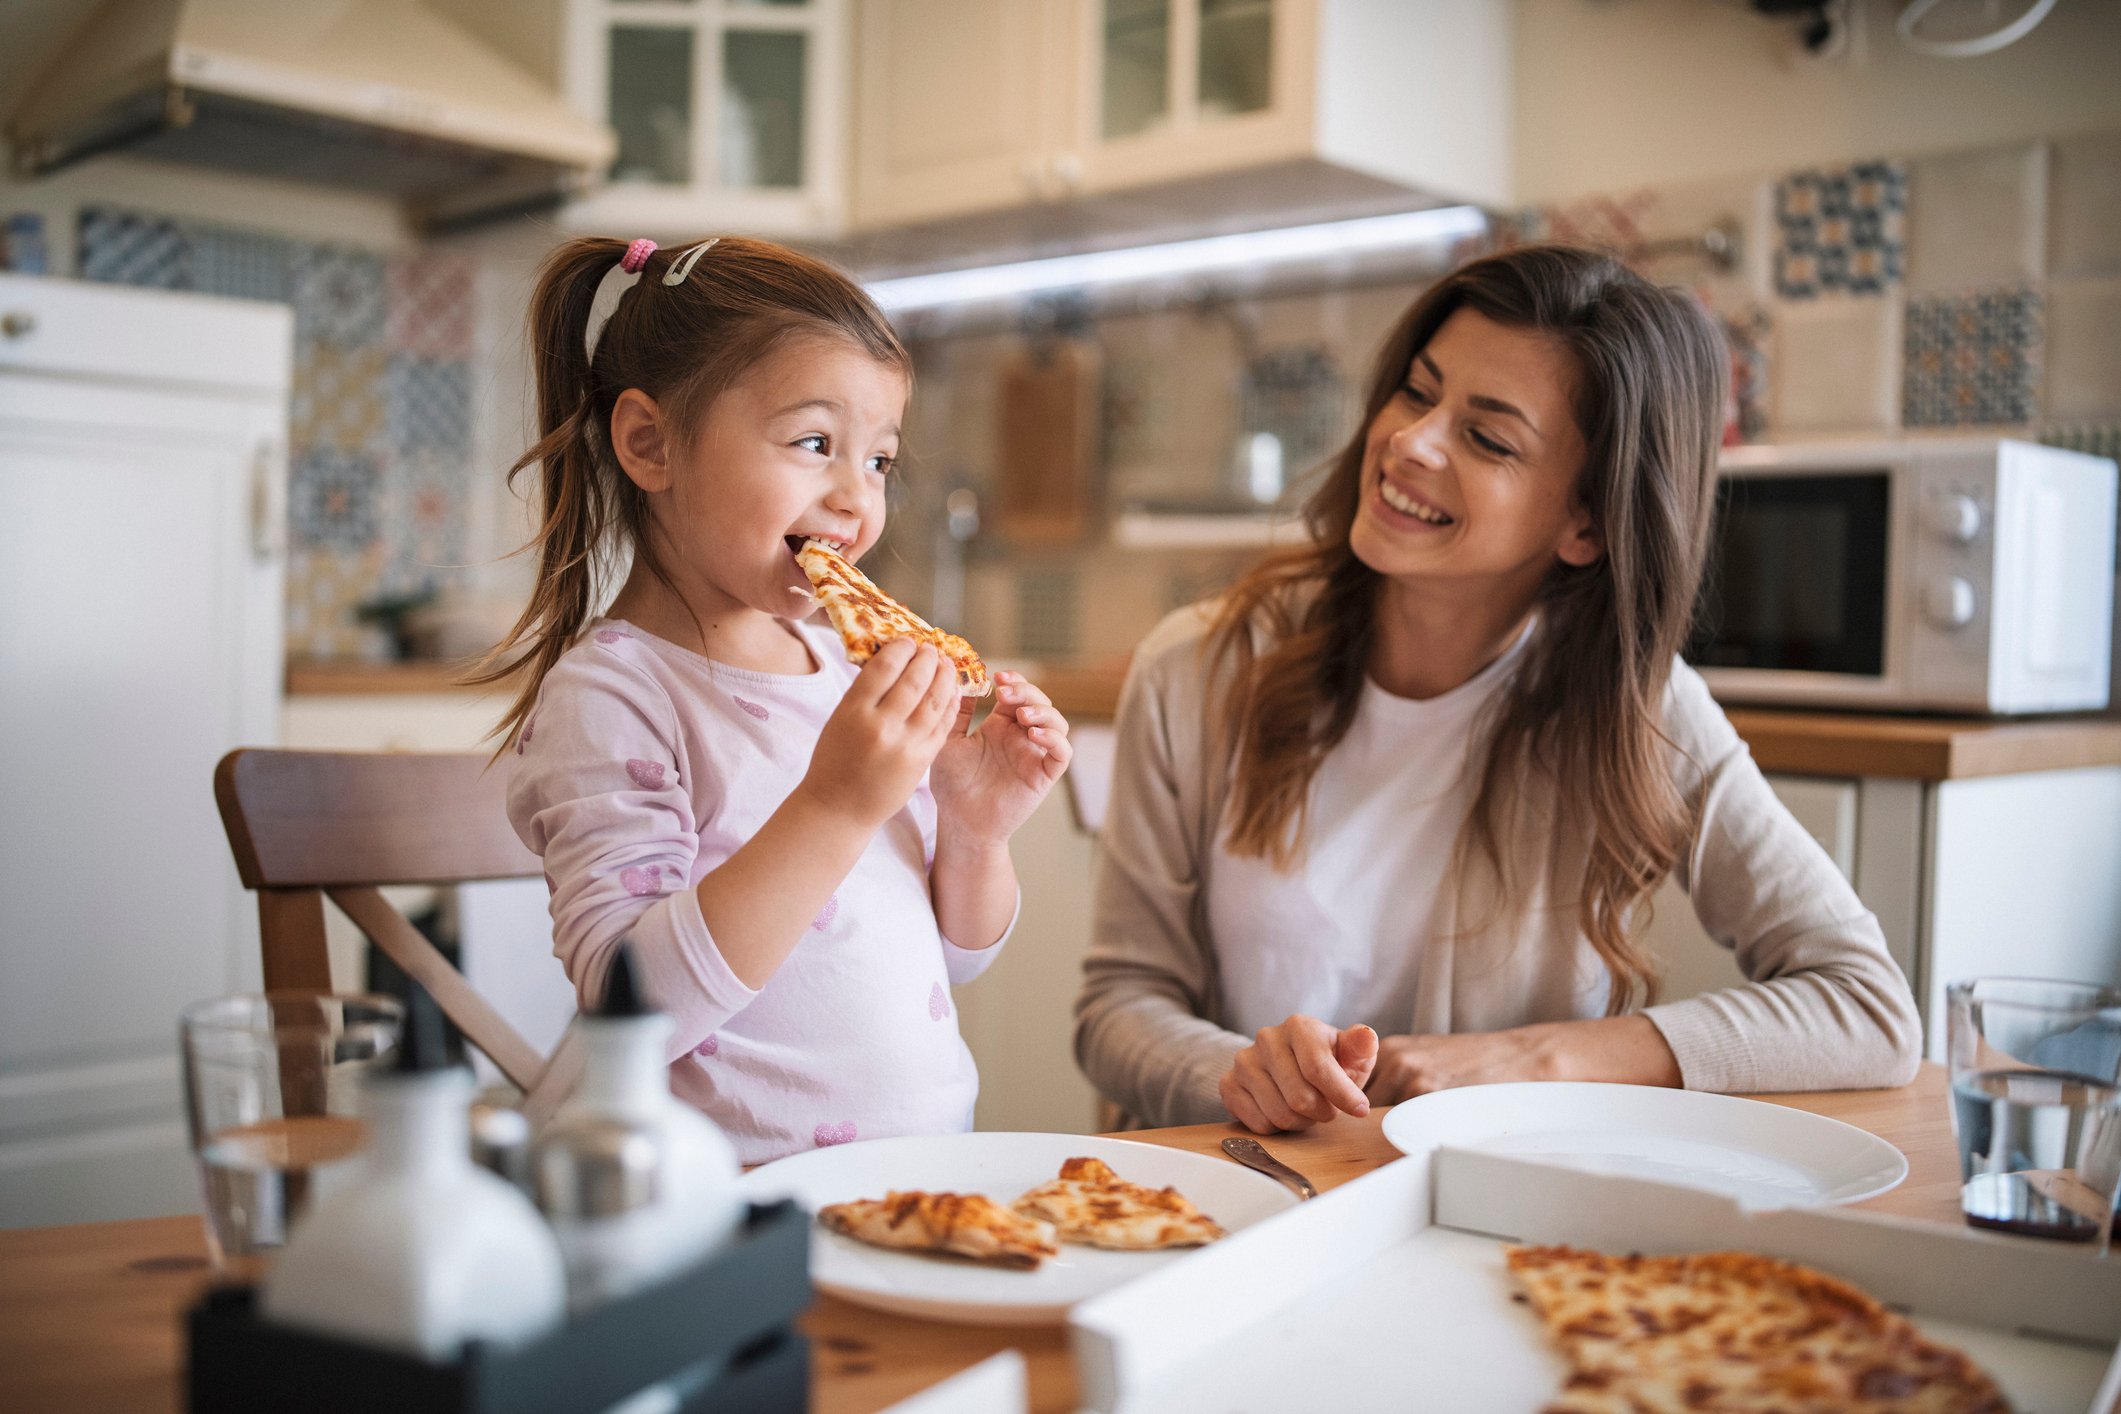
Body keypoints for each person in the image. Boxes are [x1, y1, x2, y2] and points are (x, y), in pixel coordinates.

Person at [1075, 245, 1921, 1134]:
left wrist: (1539, 1059)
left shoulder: (1641, 711)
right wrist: (1238, 1074)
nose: (1409, 441)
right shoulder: (1195, 667)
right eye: (1415, 390)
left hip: (1497, 1215)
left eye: (1485, 437)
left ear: (1585, 523)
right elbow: (1118, 1006)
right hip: (1246, 1201)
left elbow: (1865, 1005)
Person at [489, 235, 1071, 1163]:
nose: (856, 499)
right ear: (650, 443)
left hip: (918, 1177)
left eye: (878, 460)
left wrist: (973, 833)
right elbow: (627, 1006)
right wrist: (837, 804)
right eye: (814, 444)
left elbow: (957, 960)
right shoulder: (616, 698)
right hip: (728, 1215)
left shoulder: (847, 673)